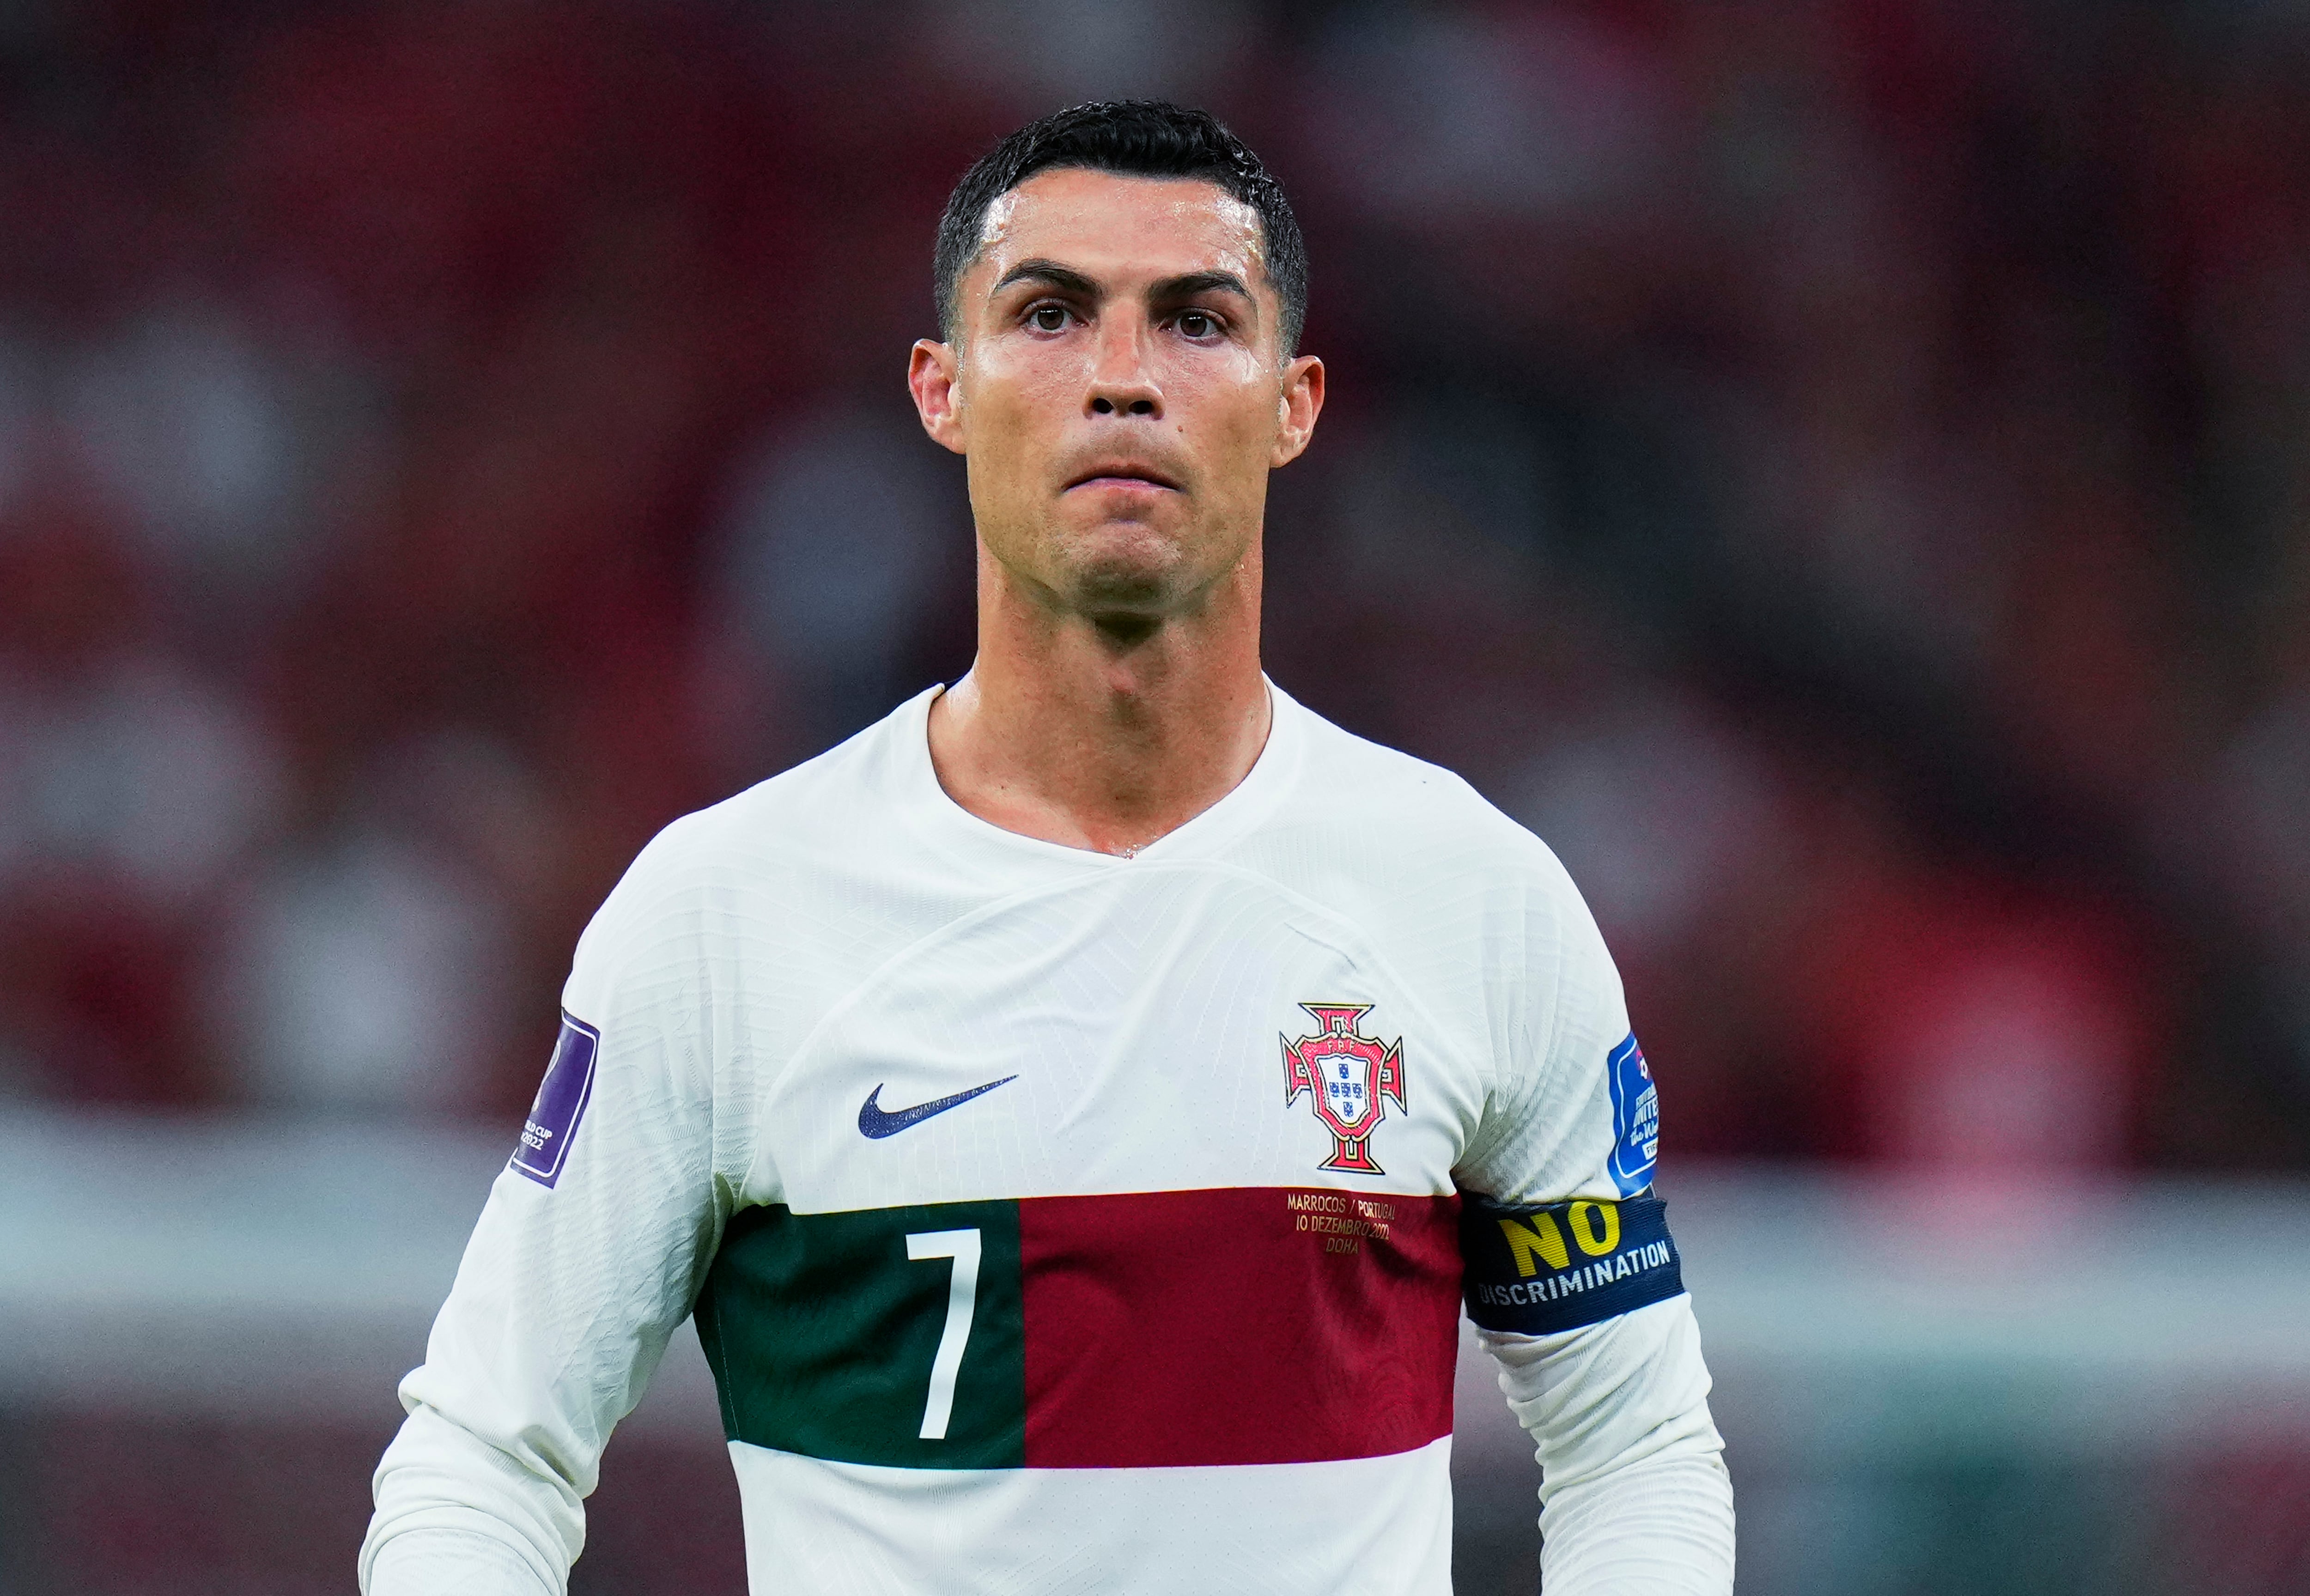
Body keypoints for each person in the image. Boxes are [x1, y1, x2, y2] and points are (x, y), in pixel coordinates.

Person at [360, 100, 1734, 1596]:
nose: (1125, 379)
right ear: (943, 391)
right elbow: (487, 1455)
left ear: (1296, 401)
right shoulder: (727, 916)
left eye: (1200, 322)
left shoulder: (1475, 900)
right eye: (1052, 315)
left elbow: (1635, 1448)